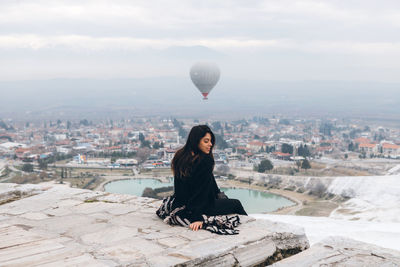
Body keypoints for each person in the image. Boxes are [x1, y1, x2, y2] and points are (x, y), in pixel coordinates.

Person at [171, 125, 247, 232]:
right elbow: (201, 191)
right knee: (236, 204)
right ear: (196, 141)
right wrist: (196, 217)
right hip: (199, 206)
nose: (210, 145)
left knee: (223, 200)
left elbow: (205, 181)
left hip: (180, 203)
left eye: (211, 141)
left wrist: (219, 195)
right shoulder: (205, 160)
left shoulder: (180, 155)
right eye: (206, 141)